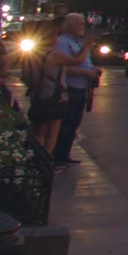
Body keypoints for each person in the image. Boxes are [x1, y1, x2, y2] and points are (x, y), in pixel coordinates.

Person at [48, 14, 99, 166]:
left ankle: (64, 154)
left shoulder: (76, 42)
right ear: (69, 25)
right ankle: (57, 156)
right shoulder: (63, 42)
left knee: (74, 123)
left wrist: (92, 70)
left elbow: (83, 61)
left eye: (83, 24)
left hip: (81, 88)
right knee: (66, 123)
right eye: (78, 24)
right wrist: (86, 73)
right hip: (70, 88)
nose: (82, 27)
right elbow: (64, 66)